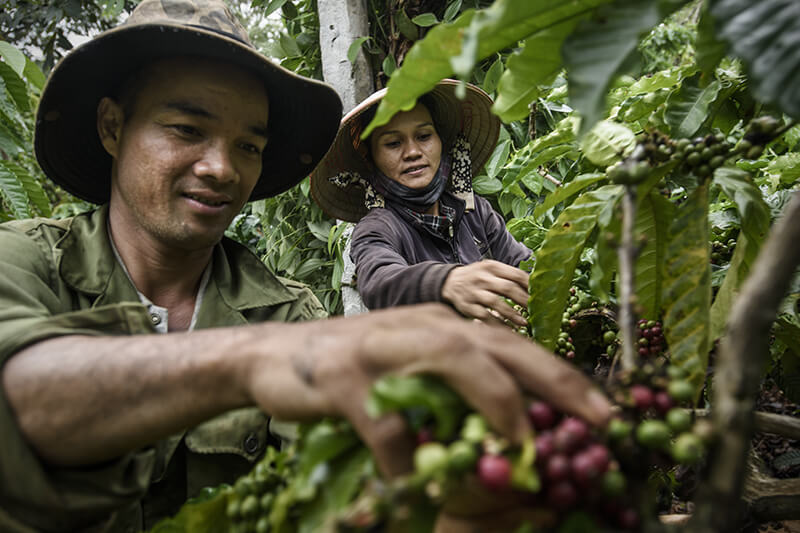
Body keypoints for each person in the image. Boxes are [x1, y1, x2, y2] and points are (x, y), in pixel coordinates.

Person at [0, 2, 610, 532]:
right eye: (187, 128)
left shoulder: (288, 311)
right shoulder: (23, 261)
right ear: (113, 126)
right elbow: (22, 390)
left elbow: (327, 490)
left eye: (249, 146)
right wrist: (253, 359)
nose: (220, 167)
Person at [310, 81, 533, 327]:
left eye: (424, 136)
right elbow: (379, 280)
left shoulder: (474, 212)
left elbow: (523, 266)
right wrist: (444, 281)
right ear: (370, 157)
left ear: (441, 142)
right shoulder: (379, 228)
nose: (413, 152)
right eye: (393, 143)